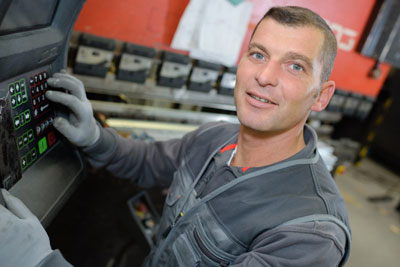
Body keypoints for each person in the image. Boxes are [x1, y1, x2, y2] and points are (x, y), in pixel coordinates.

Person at [0, 6, 351, 267]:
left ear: (322, 94)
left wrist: (38, 261)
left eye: (295, 66)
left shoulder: (308, 233)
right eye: (258, 54)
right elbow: (146, 162)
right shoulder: (216, 139)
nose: (265, 76)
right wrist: (94, 137)